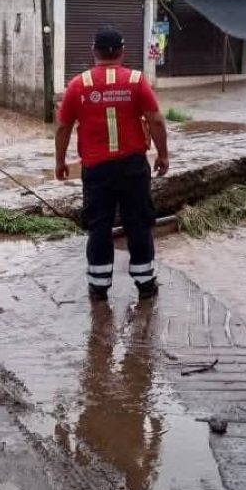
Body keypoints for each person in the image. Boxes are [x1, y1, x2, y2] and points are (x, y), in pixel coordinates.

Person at [55, 26, 169, 300]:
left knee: (99, 226)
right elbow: (156, 120)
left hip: (96, 170)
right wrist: (163, 154)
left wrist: (60, 161)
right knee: (138, 224)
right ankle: (145, 284)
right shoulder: (136, 80)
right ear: (121, 51)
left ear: (94, 51)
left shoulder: (77, 85)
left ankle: (98, 286)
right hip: (133, 167)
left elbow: (62, 127)